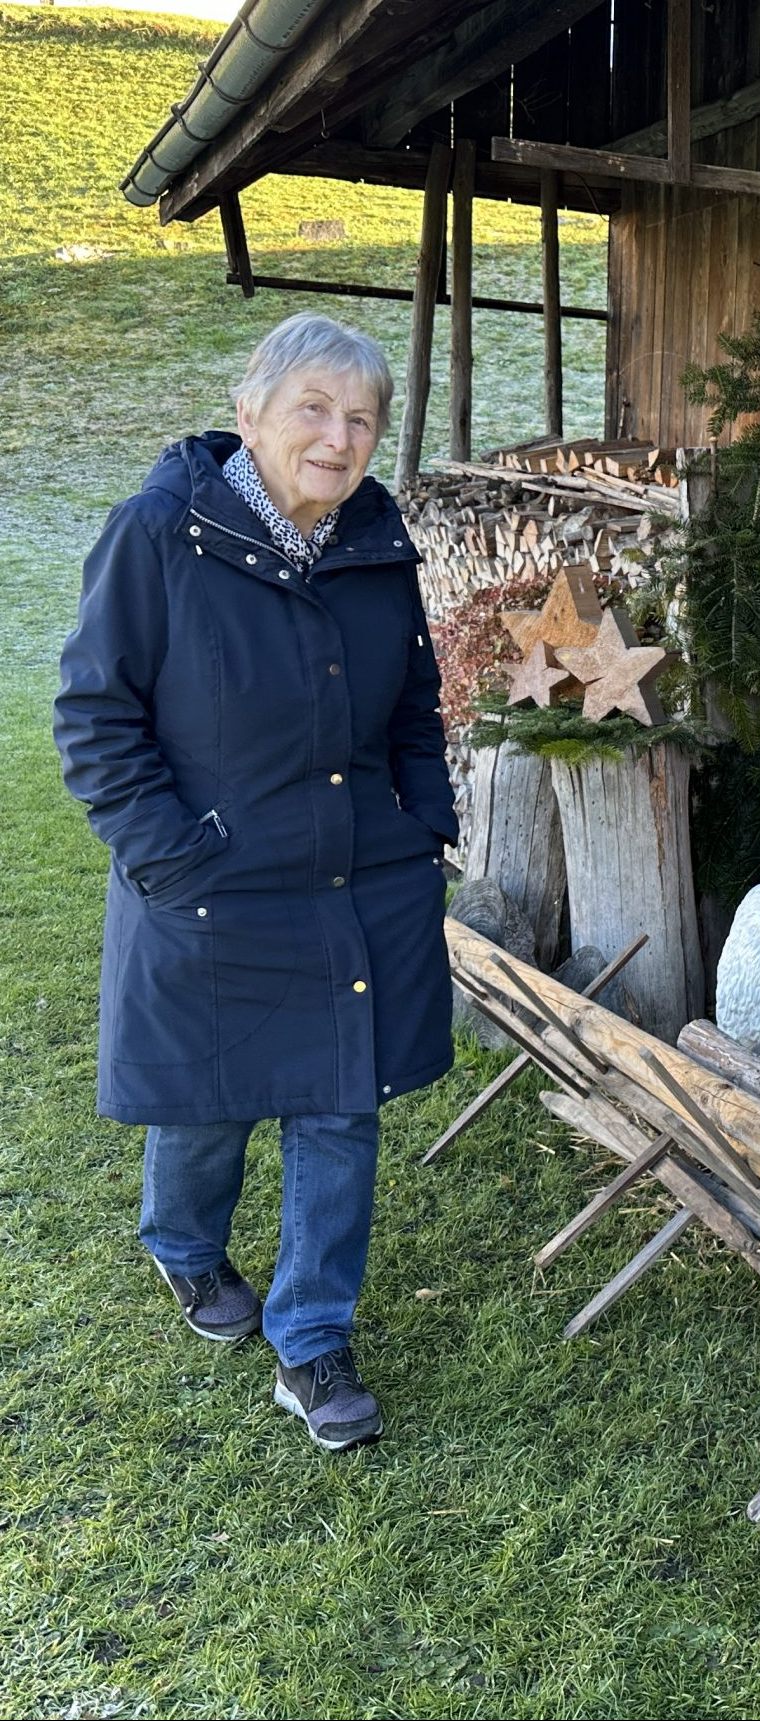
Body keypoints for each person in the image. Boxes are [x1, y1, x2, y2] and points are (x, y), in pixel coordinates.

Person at [54, 311, 456, 1452]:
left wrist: (420, 822)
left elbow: (415, 707)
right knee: (210, 1101)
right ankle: (182, 1246)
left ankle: (312, 1334)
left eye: (362, 418)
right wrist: (171, 855)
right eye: (314, 410)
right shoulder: (158, 533)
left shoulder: (377, 544)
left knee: (341, 1107)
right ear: (250, 413)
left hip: (354, 879)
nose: (338, 437)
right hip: (214, 883)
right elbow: (95, 715)